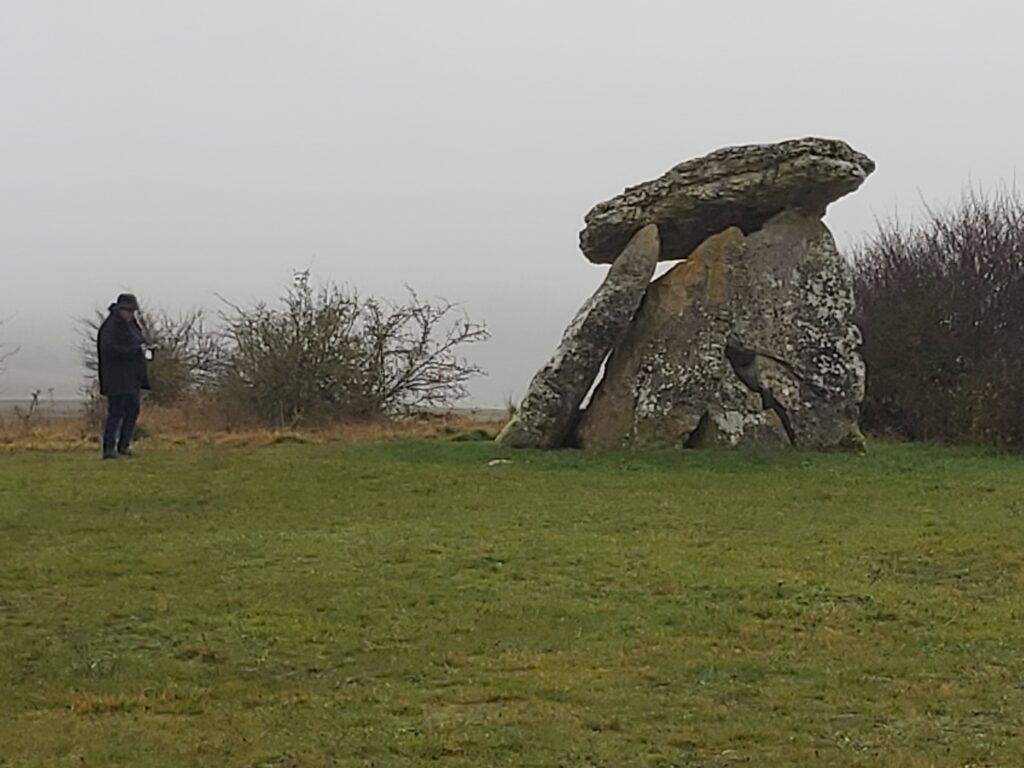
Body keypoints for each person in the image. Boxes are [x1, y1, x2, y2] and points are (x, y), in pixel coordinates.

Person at [97, 293, 151, 459]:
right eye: (128, 310)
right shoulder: (110, 327)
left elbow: (139, 343)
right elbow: (109, 350)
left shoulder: (133, 326)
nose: (130, 314)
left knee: (132, 410)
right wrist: (135, 351)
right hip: (116, 377)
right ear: (120, 309)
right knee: (116, 412)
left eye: (132, 311)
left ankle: (124, 445)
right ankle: (109, 448)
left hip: (132, 377)